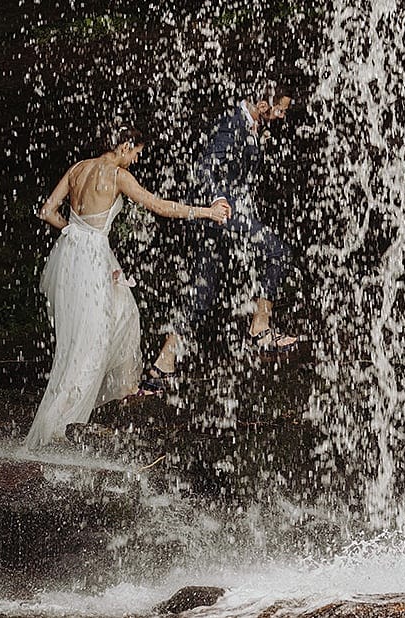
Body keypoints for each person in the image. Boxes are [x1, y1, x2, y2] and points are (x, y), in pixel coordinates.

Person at [24, 125, 231, 449]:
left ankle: (123, 392)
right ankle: (55, 429)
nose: (135, 160)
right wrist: (206, 212)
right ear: (124, 145)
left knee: (122, 311)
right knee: (87, 348)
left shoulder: (78, 168)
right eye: (136, 153)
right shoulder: (118, 176)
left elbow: (47, 212)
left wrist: (78, 233)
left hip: (71, 255)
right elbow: (159, 205)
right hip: (91, 259)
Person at [145, 79, 303, 389]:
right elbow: (206, 166)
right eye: (280, 110)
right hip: (222, 213)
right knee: (279, 253)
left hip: (228, 215)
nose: (282, 116)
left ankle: (163, 364)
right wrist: (217, 198)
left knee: (203, 291)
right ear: (262, 105)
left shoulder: (253, 125)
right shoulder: (231, 124)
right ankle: (260, 327)